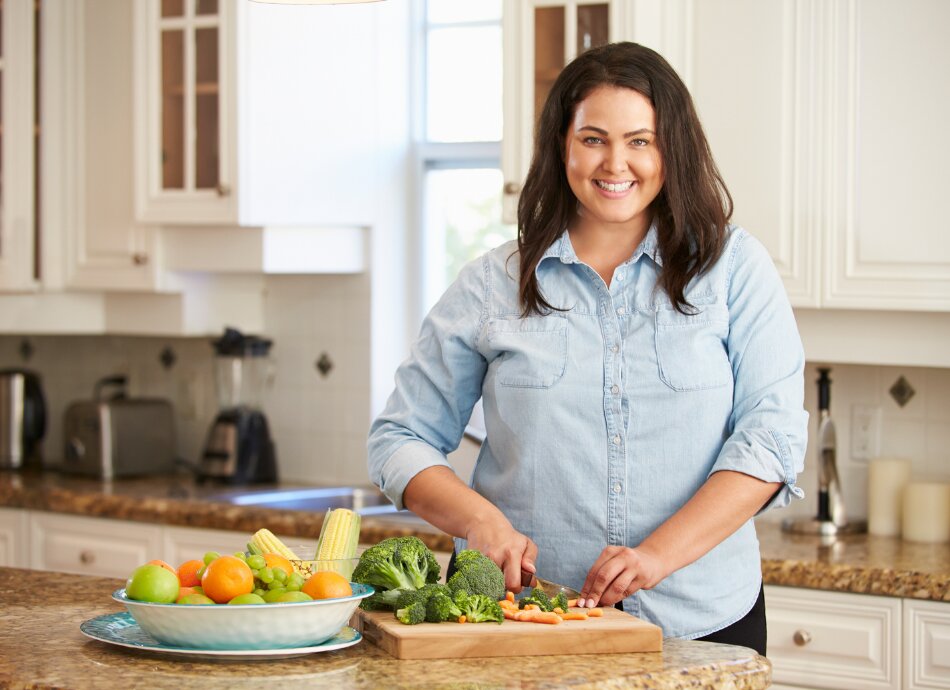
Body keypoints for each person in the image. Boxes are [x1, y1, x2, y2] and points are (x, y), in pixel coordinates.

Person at [367, 41, 806, 655]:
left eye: (640, 141)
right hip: (520, 622)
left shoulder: (733, 270)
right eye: (594, 138)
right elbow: (398, 438)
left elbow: (772, 439)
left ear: (671, 149)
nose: (616, 163)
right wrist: (479, 520)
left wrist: (656, 556)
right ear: (563, 147)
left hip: (702, 619)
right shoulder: (492, 285)